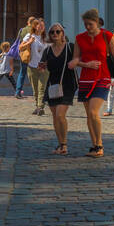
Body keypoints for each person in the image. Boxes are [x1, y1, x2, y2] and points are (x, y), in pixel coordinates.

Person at [70, 8, 114, 157]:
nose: (87, 27)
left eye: (90, 24)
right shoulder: (79, 38)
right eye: (85, 24)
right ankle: (94, 145)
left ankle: (99, 145)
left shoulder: (107, 36)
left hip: (102, 78)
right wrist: (86, 64)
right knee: (89, 115)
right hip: (85, 79)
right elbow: (76, 59)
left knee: (93, 111)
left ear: (97, 22)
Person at [40, 23, 77, 155]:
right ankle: (60, 144)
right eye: (52, 32)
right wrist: (42, 67)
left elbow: (79, 58)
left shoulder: (70, 47)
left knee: (60, 115)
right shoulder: (47, 50)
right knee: (55, 117)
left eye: (57, 32)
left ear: (62, 34)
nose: (55, 34)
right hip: (53, 84)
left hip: (67, 84)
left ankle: (65, 144)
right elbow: (43, 66)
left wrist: (78, 62)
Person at [21, 17, 49, 116]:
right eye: (40, 25)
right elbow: (21, 47)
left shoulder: (46, 38)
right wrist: (29, 42)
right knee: (35, 88)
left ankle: (40, 107)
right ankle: (37, 106)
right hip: (32, 66)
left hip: (43, 66)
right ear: (35, 26)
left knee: (42, 88)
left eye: (43, 26)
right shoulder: (30, 36)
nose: (42, 27)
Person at [13, 19, 34, 98]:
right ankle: (37, 92)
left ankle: (18, 91)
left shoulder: (22, 30)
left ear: (27, 22)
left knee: (22, 73)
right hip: (31, 53)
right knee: (34, 73)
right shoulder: (32, 30)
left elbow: (18, 41)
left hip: (23, 54)